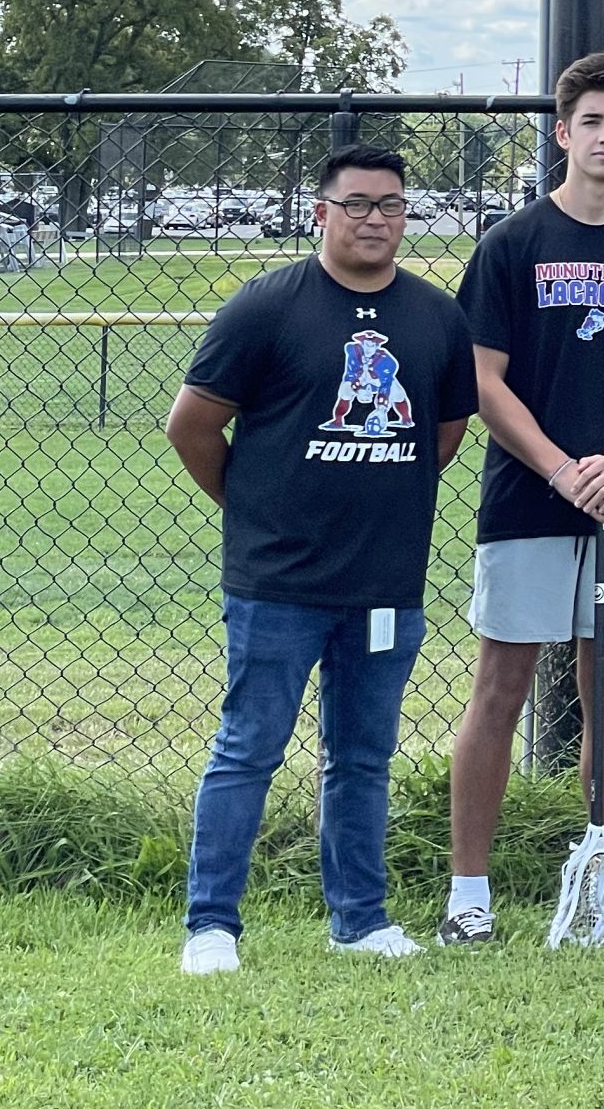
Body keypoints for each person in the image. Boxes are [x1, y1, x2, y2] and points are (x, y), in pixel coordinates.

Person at [166, 144, 477, 974]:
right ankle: (212, 927)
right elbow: (191, 425)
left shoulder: (435, 316)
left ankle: (360, 920)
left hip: (384, 581)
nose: (376, 219)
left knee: (364, 756)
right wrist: (254, 506)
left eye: (391, 205)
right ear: (322, 213)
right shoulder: (267, 305)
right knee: (249, 747)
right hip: (278, 582)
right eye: (358, 204)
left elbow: (439, 437)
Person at [442, 51, 604, 945]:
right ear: (562, 133)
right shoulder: (514, 244)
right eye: (590, 121)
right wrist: (560, 467)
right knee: (501, 684)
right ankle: (468, 890)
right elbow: (483, 380)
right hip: (530, 495)